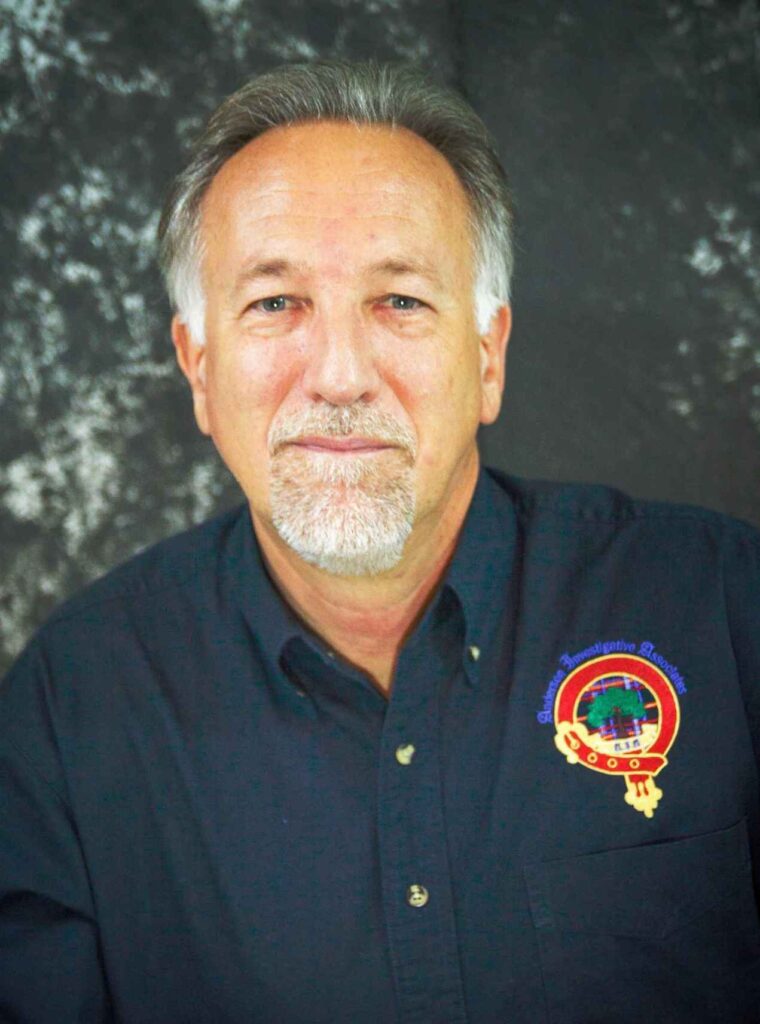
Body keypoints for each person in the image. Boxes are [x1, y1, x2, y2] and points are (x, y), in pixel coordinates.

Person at [1, 57, 758, 1024]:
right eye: (275, 303)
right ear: (199, 369)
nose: (340, 375)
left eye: (400, 301)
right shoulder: (71, 709)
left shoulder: (722, 610)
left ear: (488, 356)